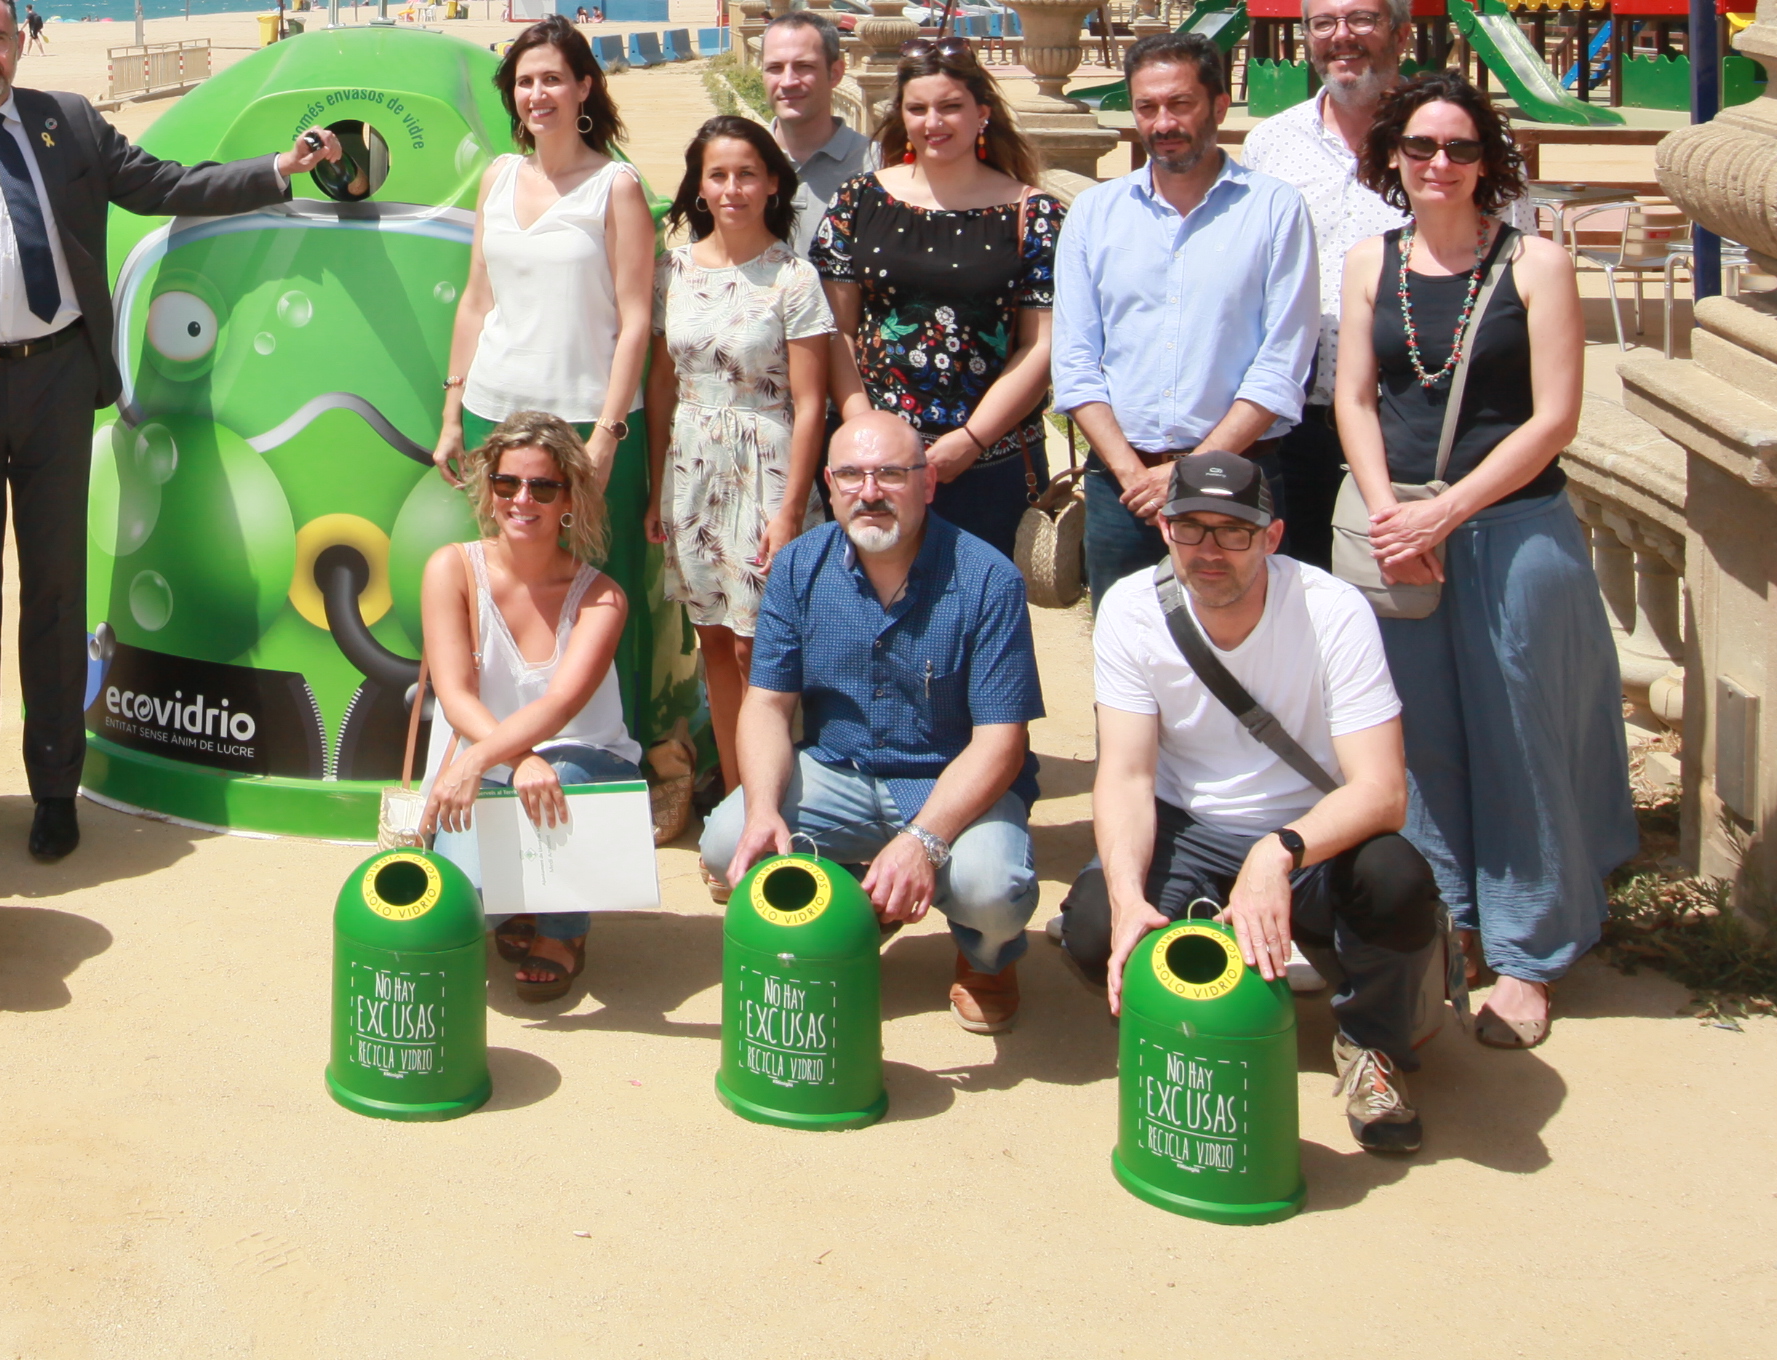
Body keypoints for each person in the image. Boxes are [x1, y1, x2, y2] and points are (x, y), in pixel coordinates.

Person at [0, 0, 325, 864]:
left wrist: (276, 171)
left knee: (55, 592)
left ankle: (53, 786)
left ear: (18, 40)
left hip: (57, 384)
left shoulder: (66, 122)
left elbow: (162, 185)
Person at [1333, 71, 1632, 1051]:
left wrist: (1450, 510)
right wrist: (1390, 513)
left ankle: (1529, 949)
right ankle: (1448, 919)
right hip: (1399, 535)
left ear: (1487, 161)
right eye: (1420, 146)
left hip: (1511, 531)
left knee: (1521, 733)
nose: (1439, 164)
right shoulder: (1370, 261)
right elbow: (1356, 398)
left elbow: (1554, 417)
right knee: (1416, 738)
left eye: (1459, 147)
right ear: (1394, 157)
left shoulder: (1538, 263)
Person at [1060, 449, 1438, 1155]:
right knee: (1093, 925)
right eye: (1190, 528)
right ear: (1165, 530)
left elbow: (1383, 791)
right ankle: (1213, 1005)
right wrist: (1125, 896)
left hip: (1311, 833)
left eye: (1234, 531)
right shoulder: (1132, 609)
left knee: (1397, 880)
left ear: (1272, 536)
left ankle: (1371, 1045)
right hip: (1190, 825)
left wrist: (1278, 851)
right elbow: (1127, 776)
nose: (1210, 551)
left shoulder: (1333, 610)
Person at [696, 411, 1047, 1033]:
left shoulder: (988, 578)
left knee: (992, 889)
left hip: (951, 780)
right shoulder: (799, 567)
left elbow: (1002, 743)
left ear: (927, 483)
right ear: (829, 486)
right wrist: (763, 809)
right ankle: (859, 905)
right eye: (852, 476)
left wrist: (923, 842)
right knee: (729, 839)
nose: (870, 492)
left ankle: (987, 958)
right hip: (841, 768)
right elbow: (768, 705)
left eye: (890, 474)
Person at [1051, 33, 1317, 601]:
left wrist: (1191, 471)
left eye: (1180, 104)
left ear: (1218, 106)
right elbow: (1074, 361)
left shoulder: (1276, 209)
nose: (1163, 123)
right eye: (1147, 107)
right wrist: (1133, 476)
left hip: (1239, 480)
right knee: (1126, 644)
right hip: (1122, 491)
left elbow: (1283, 363)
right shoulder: (1095, 214)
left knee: (1247, 641)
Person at [813, 42, 1066, 559]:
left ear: (982, 113)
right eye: (918, 108)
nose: (933, 122)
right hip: (872, 468)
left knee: (983, 602)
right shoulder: (857, 200)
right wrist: (867, 430)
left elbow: (1041, 345)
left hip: (990, 462)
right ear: (901, 117)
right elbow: (837, 329)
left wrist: (971, 441)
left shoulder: (1035, 215)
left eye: (950, 106)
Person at [416, 414, 637, 1002]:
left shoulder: (602, 597)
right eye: (507, 482)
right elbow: (456, 695)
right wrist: (515, 761)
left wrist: (482, 759)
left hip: (580, 763)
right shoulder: (450, 569)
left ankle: (564, 931)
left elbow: (562, 704)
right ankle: (521, 901)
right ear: (488, 488)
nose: (522, 499)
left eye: (542, 487)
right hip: (490, 770)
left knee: (560, 779)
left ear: (569, 498)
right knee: (464, 904)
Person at [648, 115, 832, 777]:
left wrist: (790, 510)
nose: (733, 189)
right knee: (716, 644)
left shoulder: (794, 278)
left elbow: (811, 403)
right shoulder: (672, 271)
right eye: (718, 175)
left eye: (747, 174)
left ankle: (774, 795)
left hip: (767, 468)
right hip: (692, 471)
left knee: (763, 649)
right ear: (699, 187)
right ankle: (734, 797)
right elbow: (661, 385)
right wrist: (655, 488)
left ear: (773, 184)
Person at [436, 17, 656, 540]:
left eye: (552, 79)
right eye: (525, 81)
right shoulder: (497, 177)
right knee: (506, 576)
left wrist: (608, 435)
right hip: (494, 418)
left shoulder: (616, 187)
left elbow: (636, 321)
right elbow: (476, 302)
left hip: (585, 423)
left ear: (583, 87)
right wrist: (451, 416)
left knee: (598, 578)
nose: (537, 94)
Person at [1241, 0, 1423, 565]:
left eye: (1362, 20)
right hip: (1289, 424)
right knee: (1297, 592)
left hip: (1409, 417)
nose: (1341, 36)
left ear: (1401, 33)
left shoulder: (1448, 145)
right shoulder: (1270, 145)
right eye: (1323, 23)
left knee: (1400, 594)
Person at [754, 9, 875, 260]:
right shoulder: (740, 165)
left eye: (804, 66)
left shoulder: (876, 166)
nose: (788, 81)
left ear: (836, 73)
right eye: (775, 68)